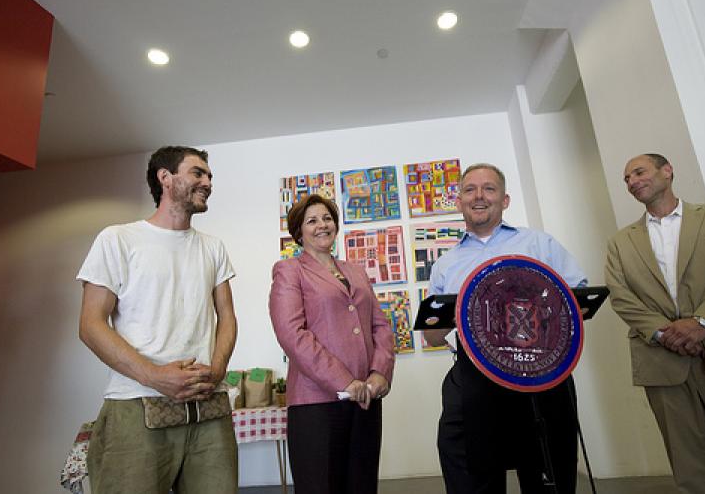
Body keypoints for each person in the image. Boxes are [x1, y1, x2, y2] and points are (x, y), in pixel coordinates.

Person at [77, 146, 238, 494]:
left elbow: (227, 317)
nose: (208, 182)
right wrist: (155, 376)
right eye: (198, 173)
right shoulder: (118, 239)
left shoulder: (213, 248)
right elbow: (90, 325)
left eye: (209, 176)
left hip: (208, 406)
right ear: (165, 177)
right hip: (136, 405)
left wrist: (219, 368)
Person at [425, 163, 587, 494]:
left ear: (505, 199)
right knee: (470, 464)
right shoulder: (444, 264)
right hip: (474, 375)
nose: (479, 196)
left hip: (539, 372)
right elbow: (432, 335)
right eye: (469, 189)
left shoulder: (539, 244)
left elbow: (579, 301)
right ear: (459, 202)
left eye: (489, 188)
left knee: (547, 465)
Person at [605, 153, 705, 494]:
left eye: (639, 172)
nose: (632, 181)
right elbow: (621, 296)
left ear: (667, 171)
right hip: (662, 362)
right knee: (690, 471)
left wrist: (703, 322)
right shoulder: (621, 242)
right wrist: (665, 333)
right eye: (626, 179)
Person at [268, 194, 395, 494]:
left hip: (365, 398)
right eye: (312, 220)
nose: (322, 225)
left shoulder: (356, 272)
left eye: (327, 218)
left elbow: (380, 326)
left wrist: (380, 373)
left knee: (361, 485)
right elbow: (292, 334)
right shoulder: (289, 271)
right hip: (316, 404)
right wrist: (344, 381)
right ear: (299, 232)